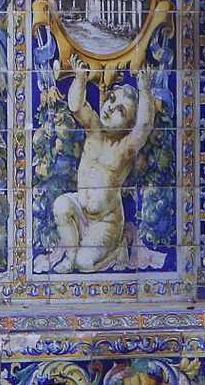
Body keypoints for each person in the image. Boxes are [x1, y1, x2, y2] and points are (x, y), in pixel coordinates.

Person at [48, 64, 157, 273]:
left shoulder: (125, 149)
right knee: (61, 205)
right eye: (112, 100)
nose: (110, 108)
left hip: (106, 222)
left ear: (129, 124)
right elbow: (76, 107)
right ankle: (70, 257)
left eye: (120, 111)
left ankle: (118, 247)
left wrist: (144, 88)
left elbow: (144, 127)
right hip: (82, 209)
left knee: (85, 264)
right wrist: (80, 78)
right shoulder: (95, 130)